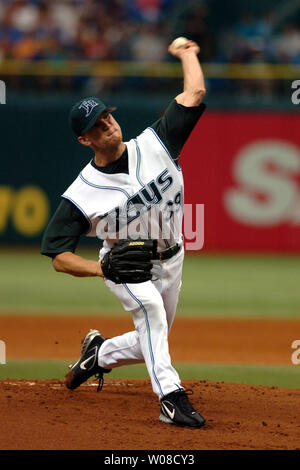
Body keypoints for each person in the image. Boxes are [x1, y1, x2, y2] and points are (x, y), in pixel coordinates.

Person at [41, 39, 206, 428]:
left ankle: (97, 355)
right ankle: (170, 397)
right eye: (95, 126)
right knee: (150, 314)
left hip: (174, 256)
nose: (106, 124)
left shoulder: (157, 142)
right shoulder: (82, 192)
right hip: (125, 266)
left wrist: (187, 54)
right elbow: (58, 256)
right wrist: (104, 270)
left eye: (106, 117)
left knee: (154, 334)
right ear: (85, 140)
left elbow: (194, 91)